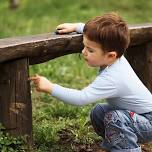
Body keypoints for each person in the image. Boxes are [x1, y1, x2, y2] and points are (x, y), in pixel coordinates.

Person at [30, 12, 152, 152]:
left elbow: (81, 98)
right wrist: (77, 27)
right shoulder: (116, 55)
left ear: (111, 55)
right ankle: (117, 146)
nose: (83, 52)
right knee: (98, 111)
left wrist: (50, 87)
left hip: (149, 122)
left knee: (115, 118)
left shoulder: (113, 77)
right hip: (137, 116)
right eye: (84, 46)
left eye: (90, 50)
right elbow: (97, 35)